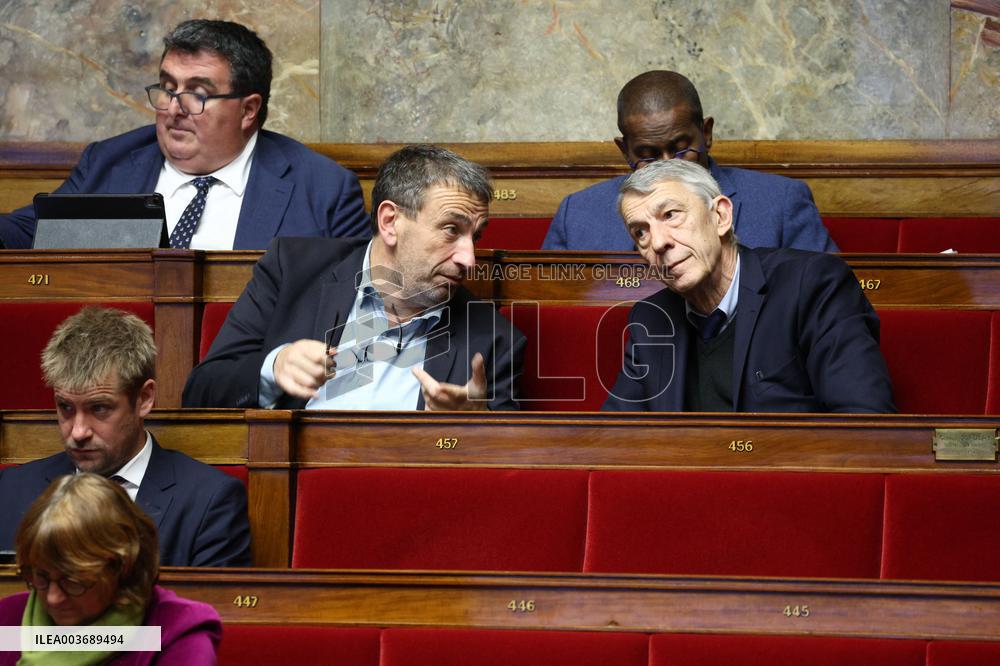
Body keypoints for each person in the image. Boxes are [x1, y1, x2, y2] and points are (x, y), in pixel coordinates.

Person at [183, 144, 525, 411]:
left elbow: (507, 471)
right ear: (390, 222)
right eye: (451, 230)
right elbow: (199, 393)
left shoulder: (492, 338)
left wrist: (470, 428)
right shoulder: (293, 271)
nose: (469, 258)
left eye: (475, 237)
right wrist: (273, 368)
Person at [0, 19, 367, 250]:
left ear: (248, 110)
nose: (174, 107)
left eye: (197, 94)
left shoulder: (324, 189)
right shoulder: (109, 164)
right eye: (167, 87)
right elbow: (29, 231)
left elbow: (357, 300)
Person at [601, 159, 894, 413]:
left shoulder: (813, 285)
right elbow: (616, 438)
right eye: (641, 232)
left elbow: (864, 423)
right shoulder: (651, 318)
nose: (659, 242)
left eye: (671, 215)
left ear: (721, 216)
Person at [0, 307, 251, 566]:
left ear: (144, 399)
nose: (78, 432)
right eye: (65, 407)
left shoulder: (208, 501)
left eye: (99, 408)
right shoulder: (10, 490)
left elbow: (210, 606)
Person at [542, 70, 837, 253]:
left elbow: (832, 299)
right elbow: (549, 311)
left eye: (682, 150)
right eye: (649, 157)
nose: (670, 166)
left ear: (706, 133)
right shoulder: (578, 216)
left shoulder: (780, 203)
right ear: (625, 151)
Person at [0, 473, 221, 665]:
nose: (54, 598)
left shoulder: (172, 631)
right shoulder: (7, 621)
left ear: (122, 567)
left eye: (73, 581)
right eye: (41, 577)